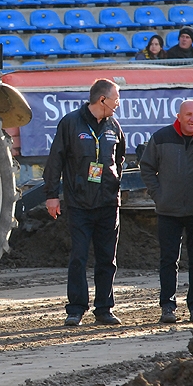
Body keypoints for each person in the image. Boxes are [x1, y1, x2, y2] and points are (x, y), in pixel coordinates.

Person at [43, 79, 126, 327]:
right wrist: (51, 195)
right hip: (79, 203)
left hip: (108, 204)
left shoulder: (114, 125)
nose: (117, 104)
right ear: (102, 100)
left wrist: (114, 185)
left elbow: (119, 159)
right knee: (78, 257)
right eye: (116, 99)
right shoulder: (70, 123)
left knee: (107, 258)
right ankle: (76, 309)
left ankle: (104, 309)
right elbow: (55, 160)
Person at [140, 100, 193, 323]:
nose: (192, 119)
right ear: (178, 116)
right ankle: (167, 307)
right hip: (168, 211)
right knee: (168, 260)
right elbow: (147, 167)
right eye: (188, 114)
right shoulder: (161, 138)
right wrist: (159, 196)